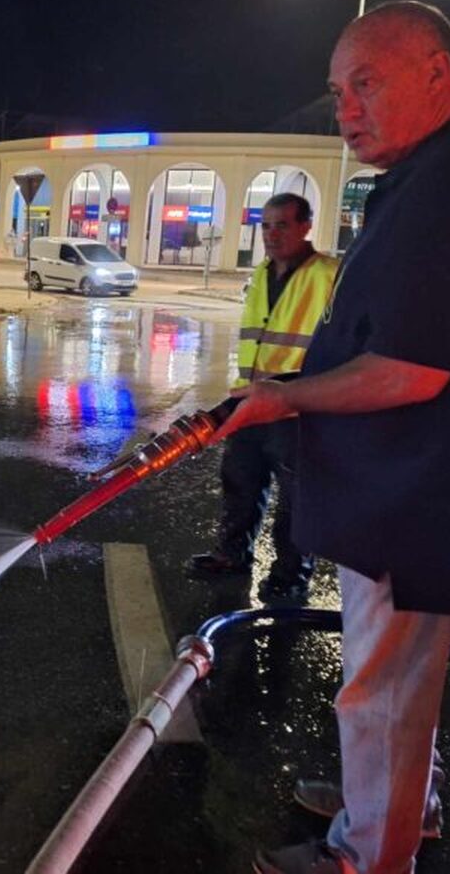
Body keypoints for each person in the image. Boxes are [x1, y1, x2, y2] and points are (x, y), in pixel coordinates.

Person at [215, 2, 450, 874]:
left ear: (437, 71)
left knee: (385, 694)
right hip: (420, 491)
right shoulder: (443, 172)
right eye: (336, 92)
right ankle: (395, 803)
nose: (345, 110)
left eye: (366, 84)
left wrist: (282, 397)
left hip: (421, 500)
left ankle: (366, 854)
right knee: (396, 690)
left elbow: (410, 370)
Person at [189, 193, 338, 605]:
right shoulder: (260, 273)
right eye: (266, 225)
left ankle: (290, 577)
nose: (271, 235)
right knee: (239, 481)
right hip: (252, 402)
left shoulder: (329, 274)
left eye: (282, 225)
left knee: (295, 499)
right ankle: (232, 555)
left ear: (306, 226)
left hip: (297, 406)